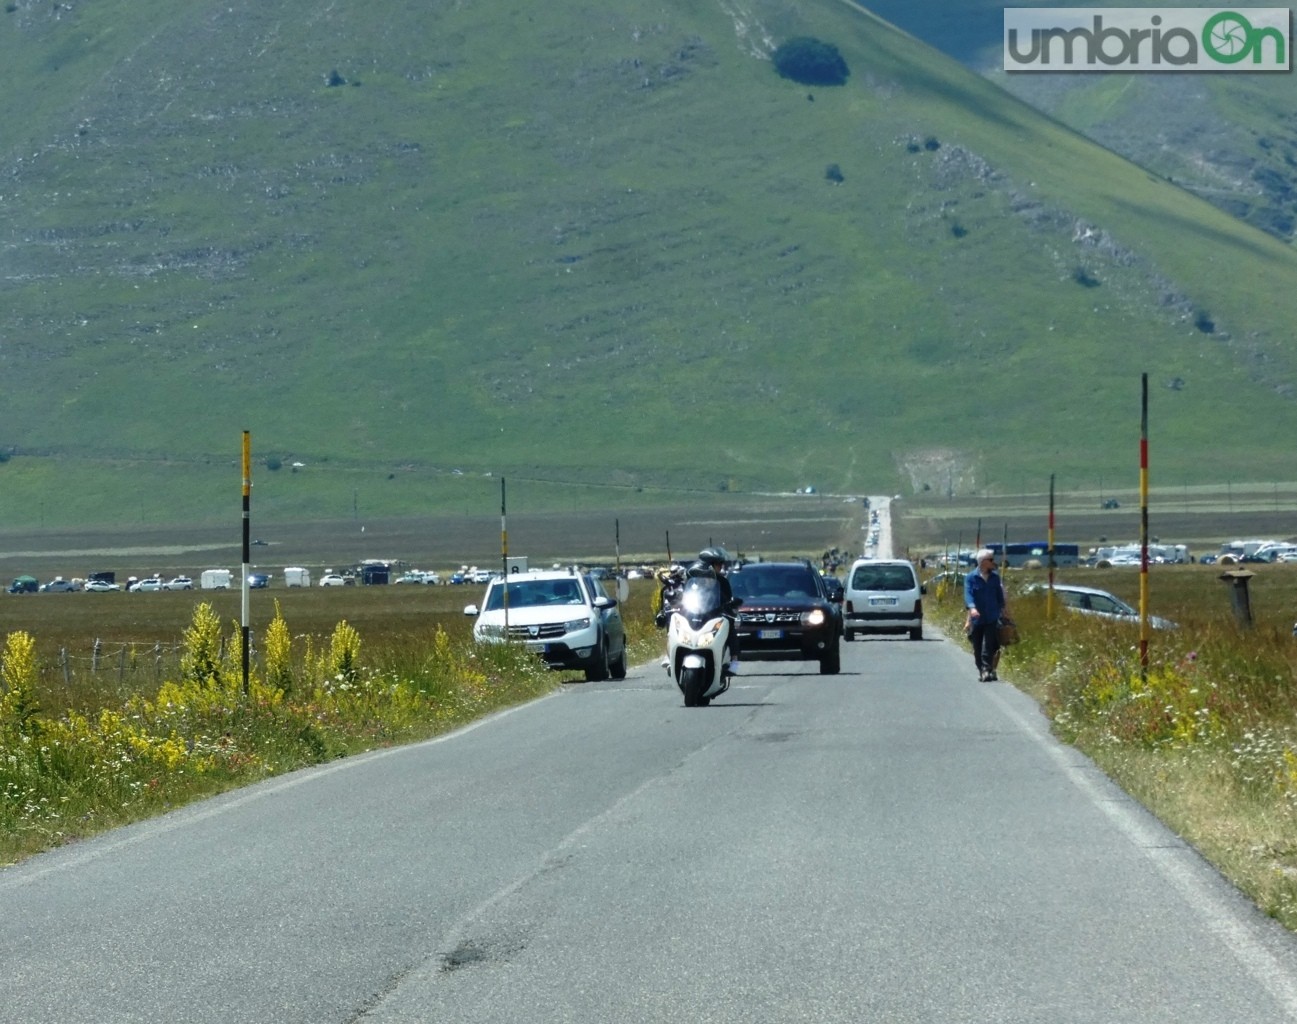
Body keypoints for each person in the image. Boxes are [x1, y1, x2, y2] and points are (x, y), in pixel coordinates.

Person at [964, 548, 1009, 682]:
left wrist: (1003, 610)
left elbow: (999, 597)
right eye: (990, 560)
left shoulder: (995, 578)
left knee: (988, 645)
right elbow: (968, 595)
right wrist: (972, 609)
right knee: (977, 646)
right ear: (983, 562)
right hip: (977, 618)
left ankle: (986, 669)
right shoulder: (971, 578)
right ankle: (982, 669)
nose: (993, 562)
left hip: (992, 617)